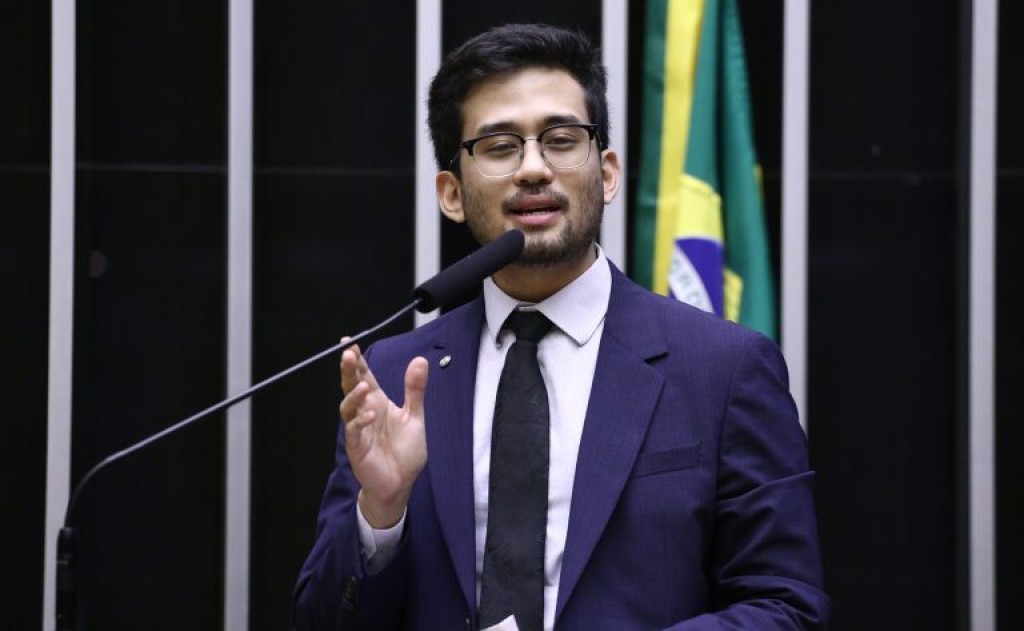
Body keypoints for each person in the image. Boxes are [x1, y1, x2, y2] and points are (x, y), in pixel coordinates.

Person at [292, 23, 829, 631]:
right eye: (499, 146)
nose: (533, 168)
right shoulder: (395, 376)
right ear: (451, 193)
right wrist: (382, 512)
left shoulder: (723, 368)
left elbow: (786, 606)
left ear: (607, 173)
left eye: (561, 140)